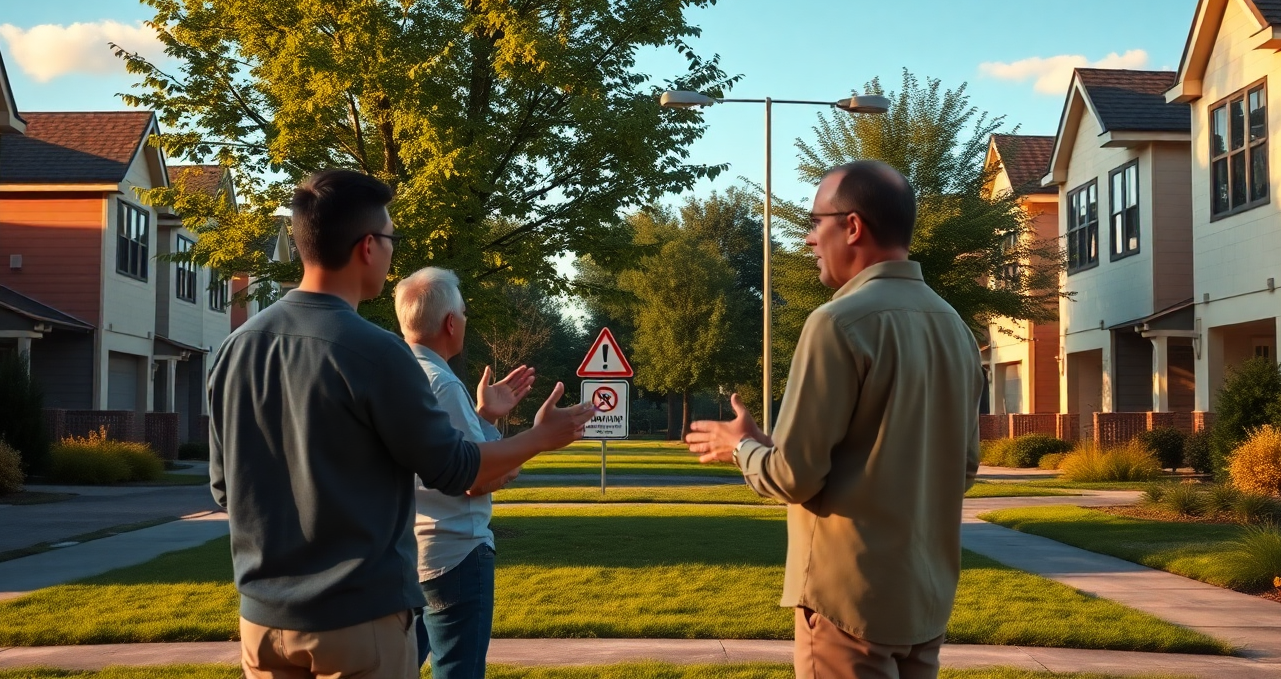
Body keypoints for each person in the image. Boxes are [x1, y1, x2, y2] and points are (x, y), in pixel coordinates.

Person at [208, 169, 594, 679]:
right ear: (368, 246)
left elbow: (223, 490)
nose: (392, 252)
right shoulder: (375, 352)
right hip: (357, 622)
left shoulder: (235, 350)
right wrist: (541, 437)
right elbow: (457, 470)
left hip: (260, 625)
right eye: (390, 239)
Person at [685, 160, 982, 679]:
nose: (807, 239)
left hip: (847, 606)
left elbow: (793, 477)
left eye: (815, 221)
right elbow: (963, 469)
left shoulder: (836, 323)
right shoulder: (955, 328)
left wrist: (741, 447)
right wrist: (767, 443)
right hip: (924, 603)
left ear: (852, 226)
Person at [394, 267, 550, 679]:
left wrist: (482, 416)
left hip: (411, 554)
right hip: (457, 554)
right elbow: (473, 477)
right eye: (463, 312)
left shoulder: (397, 376)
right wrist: (529, 446)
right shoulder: (443, 384)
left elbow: (444, 457)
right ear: (450, 323)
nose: (465, 319)